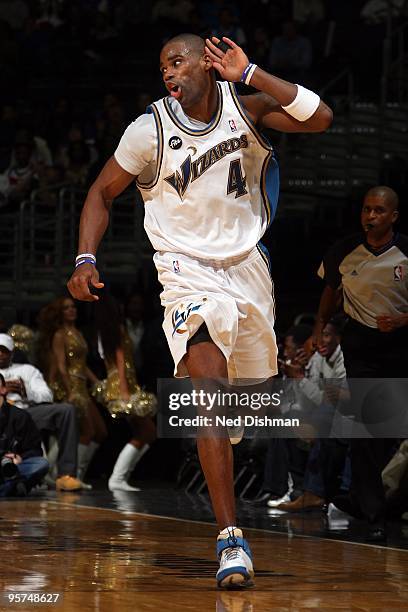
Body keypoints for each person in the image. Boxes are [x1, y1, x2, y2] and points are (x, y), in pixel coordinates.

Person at [67, 33, 332, 587]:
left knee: (248, 406)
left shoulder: (247, 106)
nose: (168, 69)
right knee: (208, 386)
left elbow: (321, 117)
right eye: (162, 63)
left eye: (178, 59)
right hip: (185, 271)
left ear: (207, 65)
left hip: (249, 272)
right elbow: (100, 192)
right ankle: (230, 538)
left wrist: (252, 71)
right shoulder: (149, 130)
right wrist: (85, 256)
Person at [313, 185, 408, 541]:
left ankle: (375, 499)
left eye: (379, 211)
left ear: (393, 216)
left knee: (391, 429)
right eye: (367, 209)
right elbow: (327, 295)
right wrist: (319, 328)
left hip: (401, 344)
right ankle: (373, 512)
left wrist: (402, 320)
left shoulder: (405, 250)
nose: (371, 216)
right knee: (368, 430)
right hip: (362, 345)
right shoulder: (344, 250)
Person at [38, 297, 107, 488]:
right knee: (86, 431)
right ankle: (66, 475)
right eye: (66, 308)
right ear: (60, 313)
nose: (71, 310)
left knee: (100, 431)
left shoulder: (77, 332)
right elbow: (61, 365)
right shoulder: (60, 335)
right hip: (72, 386)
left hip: (82, 385)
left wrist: (96, 382)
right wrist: (70, 391)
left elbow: (81, 364)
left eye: (73, 307)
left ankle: (68, 474)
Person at [0, 333, 82, 491]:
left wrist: (26, 391)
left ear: (12, 352)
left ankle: (66, 475)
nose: (0, 354)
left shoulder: (27, 370)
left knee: (66, 410)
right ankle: (14, 484)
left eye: (4, 350)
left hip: (26, 412)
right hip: (4, 414)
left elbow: (47, 395)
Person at [93, 293, 156, 492]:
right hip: (123, 385)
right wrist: (125, 391)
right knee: (147, 431)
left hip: (118, 384)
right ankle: (118, 477)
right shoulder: (117, 330)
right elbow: (121, 361)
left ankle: (121, 476)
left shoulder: (104, 332)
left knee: (148, 432)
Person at [0, 372, 48, 497]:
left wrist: (19, 457)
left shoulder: (20, 416)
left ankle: (8, 486)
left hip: (11, 467)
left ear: (3, 389)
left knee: (41, 464)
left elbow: (35, 450)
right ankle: (12, 487)